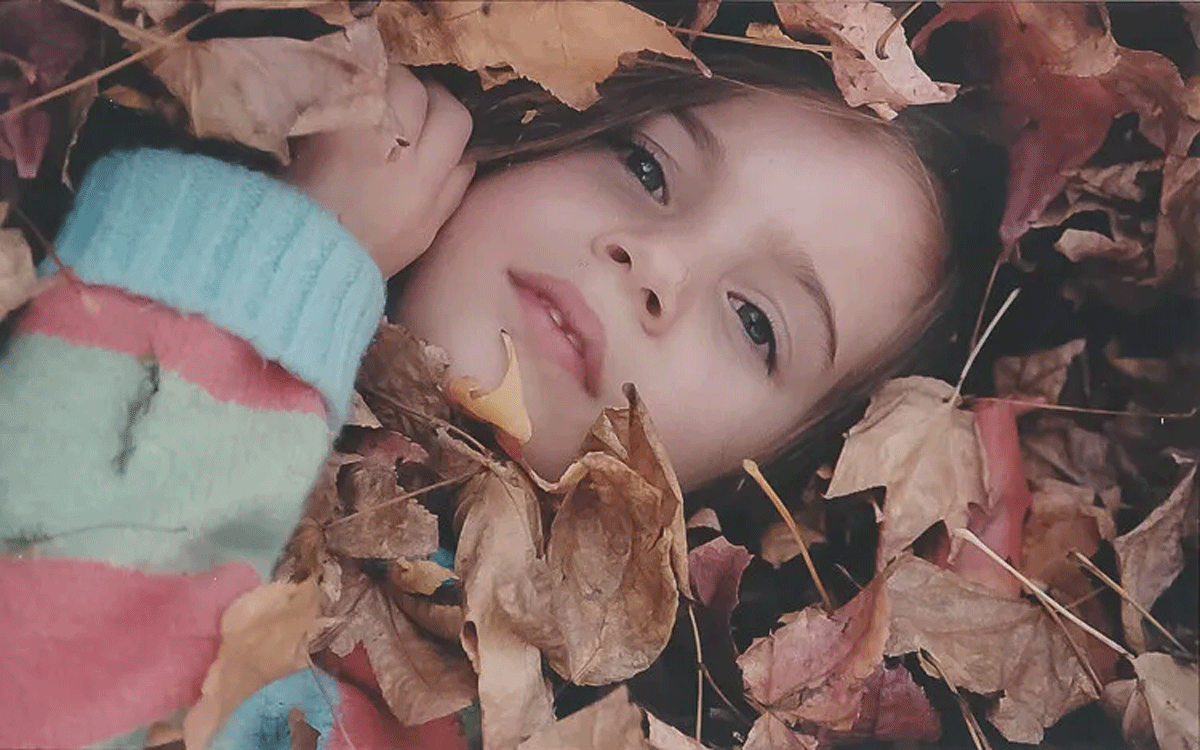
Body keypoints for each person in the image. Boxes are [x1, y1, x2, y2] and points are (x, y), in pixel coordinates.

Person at [0, 43, 994, 750]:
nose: (659, 262)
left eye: (756, 324)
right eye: (646, 164)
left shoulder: (430, 705)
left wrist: (271, 265)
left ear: (740, 493)